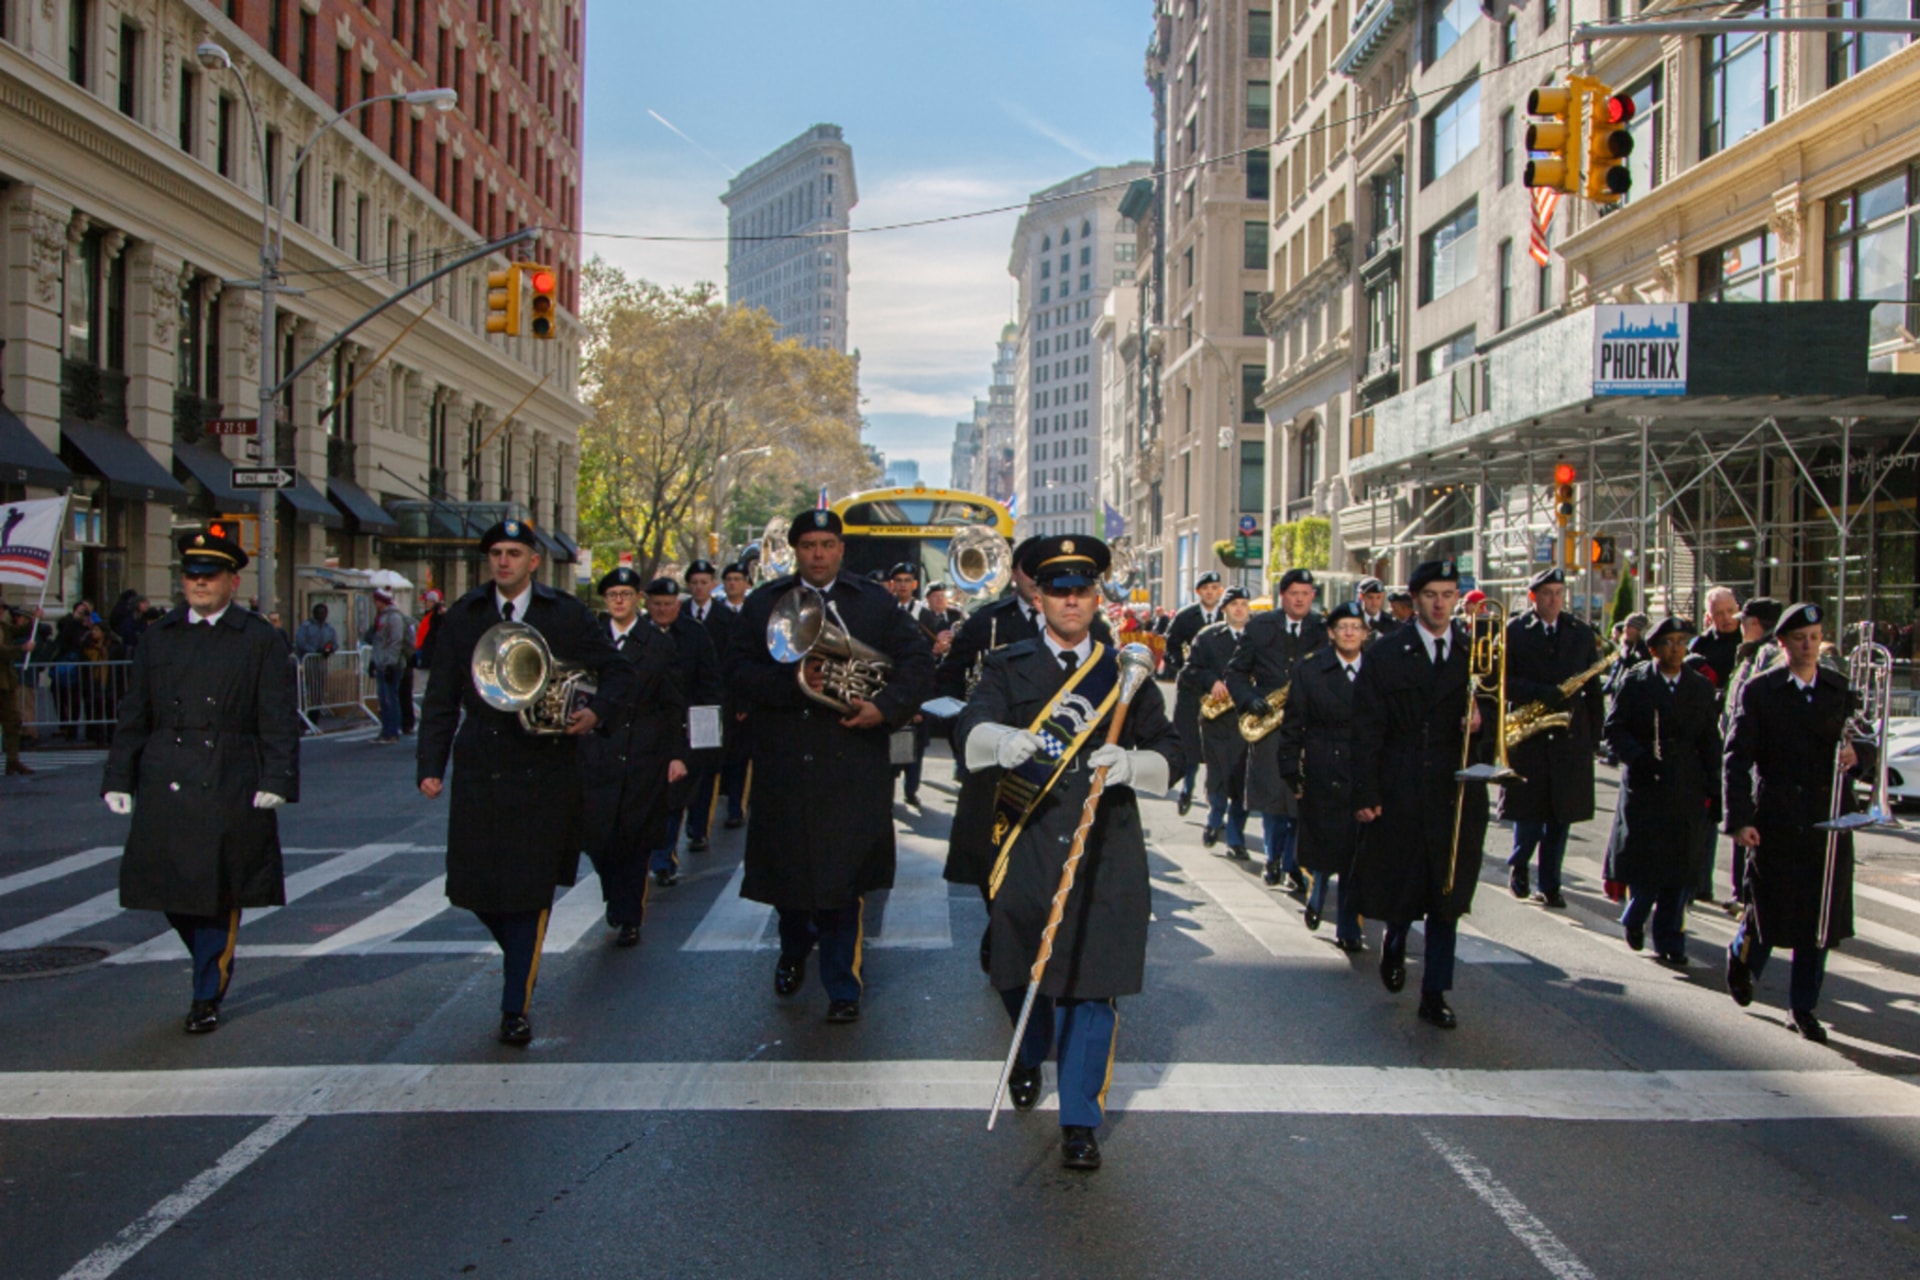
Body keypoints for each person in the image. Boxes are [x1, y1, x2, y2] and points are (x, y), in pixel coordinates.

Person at [955, 534, 1179, 1172]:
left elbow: (1174, 750)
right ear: (1039, 594)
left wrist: (1134, 762)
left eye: (1083, 589)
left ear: (1096, 595)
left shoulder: (1124, 670)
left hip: (1103, 849)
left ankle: (1080, 1117)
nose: (1072, 600)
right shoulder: (1008, 663)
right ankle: (1029, 1051)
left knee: (1092, 986)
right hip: (1027, 841)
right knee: (1017, 969)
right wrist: (1001, 741)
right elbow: (969, 722)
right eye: (1059, 589)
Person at [416, 519, 633, 1045]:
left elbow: (619, 672)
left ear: (534, 561)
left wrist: (595, 712)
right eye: (496, 553)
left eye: (514, 553)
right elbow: (441, 697)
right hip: (481, 767)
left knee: (529, 891)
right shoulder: (465, 616)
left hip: (545, 768)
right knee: (475, 890)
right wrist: (430, 765)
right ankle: (515, 962)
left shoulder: (566, 613)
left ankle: (516, 1004)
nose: (504, 561)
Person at [725, 505, 933, 1022]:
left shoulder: (873, 602)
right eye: (808, 546)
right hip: (785, 762)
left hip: (852, 764)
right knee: (791, 883)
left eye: (827, 545)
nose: (818, 554)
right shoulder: (764, 602)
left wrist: (882, 708)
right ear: (797, 552)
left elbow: (917, 663)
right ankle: (793, 949)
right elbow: (734, 671)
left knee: (844, 885)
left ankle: (844, 986)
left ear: (841, 549)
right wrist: (795, 684)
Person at [101, 527, 300, 1034]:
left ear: (233, 581)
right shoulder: (159, 635)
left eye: (209, 576)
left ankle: (206, 990)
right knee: (169, 890)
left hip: (229, 772)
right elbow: (134, 712)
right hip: (166, 770)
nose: (199, 584)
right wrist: (117, 777)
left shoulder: (258, 638)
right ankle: (207, 964)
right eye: (191, 576)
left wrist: (277, 775)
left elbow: (277, 716)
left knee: (217, 890)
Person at [1350, 558, 1493, 1031]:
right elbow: (1368, 727)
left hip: (1454, 790)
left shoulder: (1474, 653)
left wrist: (1480, 725)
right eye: (1431, 594)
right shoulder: (1388, 652)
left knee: (1447, 895)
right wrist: (1367, 791)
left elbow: (1493, 721)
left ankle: (1435, 992)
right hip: (1403, 783)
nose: (1440, 603)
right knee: (1405, 885)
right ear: (1415, 600)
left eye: (1449, 594)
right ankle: (1394, 938)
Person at [1723, 603, 1869, 1045]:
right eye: (1800, 639)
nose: (1808, 646)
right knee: (1769, 908)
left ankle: (1802, 1007)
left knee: (1818, 918)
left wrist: (1857, 756)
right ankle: (1743, 959)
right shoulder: (1761, 691)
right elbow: (1737, 758)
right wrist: (1739, 820)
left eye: (1815, 638)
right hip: (1778, 814)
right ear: (1782, 643)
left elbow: (1864, 741)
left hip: (1827, 817)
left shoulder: (1838, 688)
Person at [580, 566, 688, 947]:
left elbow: (673, 703)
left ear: (637, 599)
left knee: (635, 838)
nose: (620, 601)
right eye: (613, 595)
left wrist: (677, 754)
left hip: (643, 751)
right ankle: (614, 894)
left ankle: (629, 915)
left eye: (626, 594)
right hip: (598, 750)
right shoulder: (591, 642)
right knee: (598, 837)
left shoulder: (657, 643)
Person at [1604, 617, 1721, 966]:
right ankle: (1636, 916)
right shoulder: (1637, 681)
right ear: (1653, 649)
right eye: (1668, 642)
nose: (1676, 648)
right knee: (1646, 863)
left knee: (1680, 865)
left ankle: (1671, 939)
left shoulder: (1698, 687)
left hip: (1685, 783)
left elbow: (1709, 740)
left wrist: (1715, 787)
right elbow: (1615, 729)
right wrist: (1638, 758)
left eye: (1681, 641)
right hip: (1646, 783)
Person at [1499, 567, 1606, 908]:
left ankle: (1551, 883)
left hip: (1568, 737)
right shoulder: (1515, 631)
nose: (1554, 599)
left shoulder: (1580, 633)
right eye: (1547, 593)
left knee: (1561, 817)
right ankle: (1519, 863)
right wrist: (1542, 693)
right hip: (1530, 734)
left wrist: (1594, 737)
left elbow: (1593, 689)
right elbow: (1503, 682)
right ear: (1533, 597)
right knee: (1529, 815)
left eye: (1559, 593)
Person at [1226, 567, 1326, 892]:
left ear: (1312, 596)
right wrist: (1250, 700)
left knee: (1303, 798)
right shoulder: (1259, 626)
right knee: (1272, 796)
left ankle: (1294, 862)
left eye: (1306, 594)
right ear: (1282, 596)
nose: (1300, 600)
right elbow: (1236, 673)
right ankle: (1272, 857)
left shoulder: (1324, 629)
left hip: (1309, 723)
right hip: (1269, 722)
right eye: (1293, 594)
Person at [1279, 600, 1368, 950]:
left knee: (1356, 854)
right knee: (1325, 846)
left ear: (1365, 633)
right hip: (1321, 766)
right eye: (1342, 627)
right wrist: (1291, 770)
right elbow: (1292, 723)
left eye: (1355, 627)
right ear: (1331, 633)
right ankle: (1317, 890)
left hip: (1362, 769)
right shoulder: (1310, 669)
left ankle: (1348, 928)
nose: (1349, 632)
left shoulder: (1376, 668)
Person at [644, 576, 724, 882]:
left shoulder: (695, 634)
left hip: (687, 726)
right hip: (648, 727)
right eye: (657, 604)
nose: (663, 610)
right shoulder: (640, 634)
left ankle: (664, 858)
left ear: (678, 604)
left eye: (668, 604)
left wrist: (709, 728)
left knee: (676, 793)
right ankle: (652, 852)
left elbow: (710, 681)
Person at [1178, 587, 1253, 859]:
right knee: (1218, 775)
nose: (1240, 609)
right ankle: (1214, 818)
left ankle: (1235, 837)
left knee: (1243, 781)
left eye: (1244, 604)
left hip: (1249, 719)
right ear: (1224, 609)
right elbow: (1189, 671)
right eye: (1234, 605)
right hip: (1217, 721)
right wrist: (1211, 681)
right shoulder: (1208, 637)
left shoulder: (1260, 637)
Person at [1719, 596, 1784, 907]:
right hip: (1740, 752)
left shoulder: (1768, 656)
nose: (1739, 626)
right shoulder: (1751, 654)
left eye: (1743, 621)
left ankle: (1747, 897)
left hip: (1754, 759)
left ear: (1756, 624)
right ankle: (1741, 895)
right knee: (1740, 819)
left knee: (1747, 823)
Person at [685, 560, 746, 834]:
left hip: (718, 703)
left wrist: (739, 702)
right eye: (694, 583)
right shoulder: (680, 615)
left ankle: (713, 820)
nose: (699, 588)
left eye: (704, 582)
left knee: (722, 762)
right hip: (684, 703)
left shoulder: (726, 618)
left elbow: (736, 663)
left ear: (712, 585)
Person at [1161, 570, 1225, 814]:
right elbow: (1171, 647)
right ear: (1198, 592)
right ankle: (1187, 787)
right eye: (1206, 588)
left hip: (1220, 691)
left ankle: (1214, 797)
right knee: (1190, 744)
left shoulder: (1226, 614)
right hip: (1192, 689)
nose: (1211, 592)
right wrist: (1183, 666)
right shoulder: (1185, 617)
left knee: (1218, 745)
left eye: (1215, 588)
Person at [887, 561, 938, 809]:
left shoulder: (925, 615)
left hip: (919, 688)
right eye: (898, 581)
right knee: (894, 742)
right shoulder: (884, 611)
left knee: (917, 745)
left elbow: (932, 657)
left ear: (915, 585)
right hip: (892, 683)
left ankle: (911, 789)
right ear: (891, 585)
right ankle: (890, 788)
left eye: (907, 581)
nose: (903, 585)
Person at [368, 589, 412, 744]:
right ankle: (385, 730)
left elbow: (395, 642)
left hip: (392, 664)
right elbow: (377, 642)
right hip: (382, 662)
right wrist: (373, 660)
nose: (375, 603)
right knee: (383, 699)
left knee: (390, 698)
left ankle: (392, 732)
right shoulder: (380, 617)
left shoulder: (394, 617)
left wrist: (390, 663)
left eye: (377, 600)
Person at [2, 600, 39, 776]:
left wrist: (34, 620)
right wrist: (22, 648)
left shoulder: (4, 626)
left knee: (13, 721)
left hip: (6, 682)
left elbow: (20, 631)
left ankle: (12, 760)